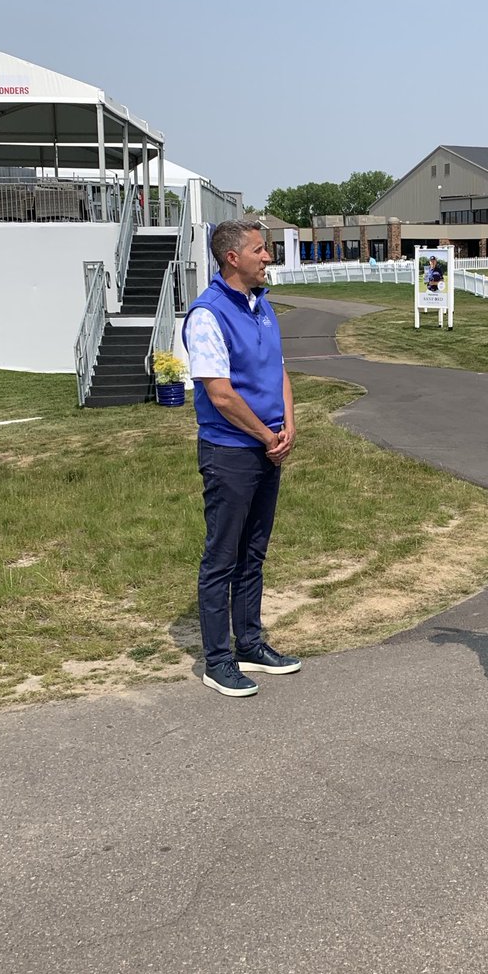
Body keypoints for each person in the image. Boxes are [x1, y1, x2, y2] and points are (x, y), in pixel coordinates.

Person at [182, 218, 301, 697]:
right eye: (260, 249)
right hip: (231, 451)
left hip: (266, 447)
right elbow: (221, 394)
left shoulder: (262, 305)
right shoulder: (208, 314)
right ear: (233, 258)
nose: (267, 256)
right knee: (223, 557)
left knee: (254, 552)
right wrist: (265, 436)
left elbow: (280, 371)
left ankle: (250, 643)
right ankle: (218, 661)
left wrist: (287, 426)